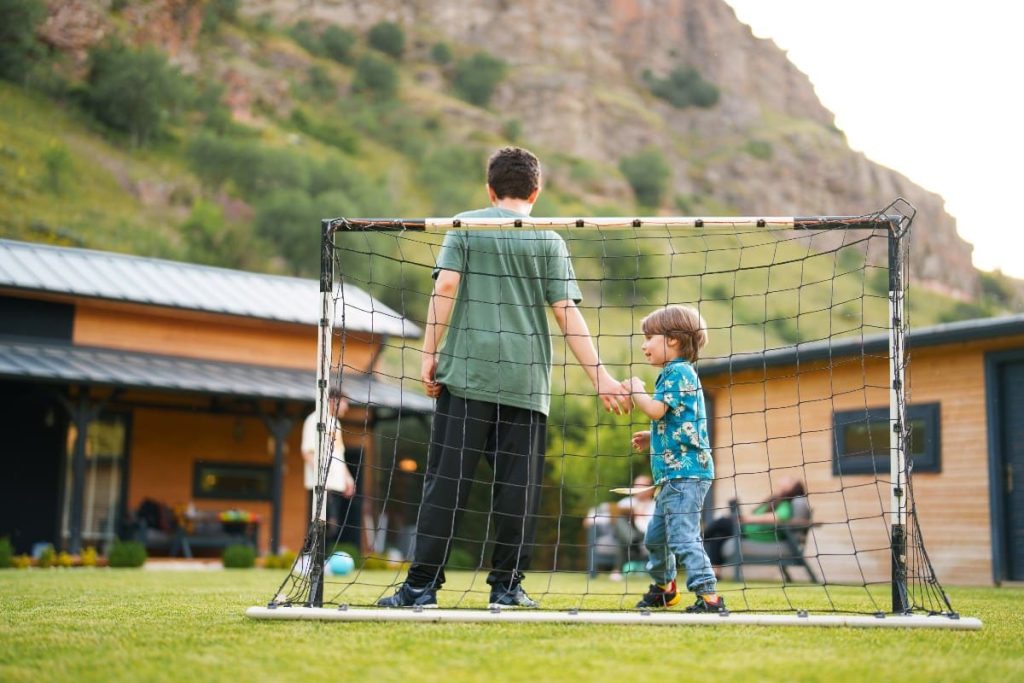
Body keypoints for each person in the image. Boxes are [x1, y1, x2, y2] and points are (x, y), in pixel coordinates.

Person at [378, 146, 631, 609]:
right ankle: (507, 589)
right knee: (518, 491)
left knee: (445, 485)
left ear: (490, 190)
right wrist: (602, 379)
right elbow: (566, 312)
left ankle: (420, 588)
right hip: (526, 384)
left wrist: (427, 356)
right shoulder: (550, 241)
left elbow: (446, 287)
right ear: (536, 191)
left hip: (467, 377)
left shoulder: (467, 224)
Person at [625, 304, 725, 612]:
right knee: (655, 539)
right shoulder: (679, 373)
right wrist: (651, 434)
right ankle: (665, 589)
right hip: (672, 477)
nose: (644, 344)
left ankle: (709, 597)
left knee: (683, 537)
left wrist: (634, 390)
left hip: (686, 475)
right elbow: (674, 420)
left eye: (649, 337)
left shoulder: (676, 371)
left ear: (672, 339)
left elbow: (656, 410)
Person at [703, 475, 807, 573]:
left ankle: (695, 540)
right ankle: (716, 573)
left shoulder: (786, 503)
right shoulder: (776, 500)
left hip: (755, 534)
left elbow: (779, 517)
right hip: (747, 530)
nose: (784, 479)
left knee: (721, 522)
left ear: (792, 488)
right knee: (717, 537)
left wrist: (747, 519)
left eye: (790, 481)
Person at [300, 387, 355, 533]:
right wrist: (322, 479)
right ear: (333, 401)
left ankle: (324, 557)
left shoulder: (336, 424)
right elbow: (307, 452)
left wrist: (348, 479)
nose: (347, 407)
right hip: (321, 487)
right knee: (318, 529)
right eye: (344, 402)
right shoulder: (315, 419)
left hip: (336, 486)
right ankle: (308, 556)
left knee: (332, 529)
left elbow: (339, 454)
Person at [616, 474, 655, 563]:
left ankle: (617, 570)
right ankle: (633, 541)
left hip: (647, 533)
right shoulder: (625, 502)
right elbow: (607, 514)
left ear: (651, 489)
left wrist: (642, 514)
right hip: (629, 533)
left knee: (623, 537)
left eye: (641, 486)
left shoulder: (656, 505)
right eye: (636, 485)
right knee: (620, 519)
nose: (637, 488)